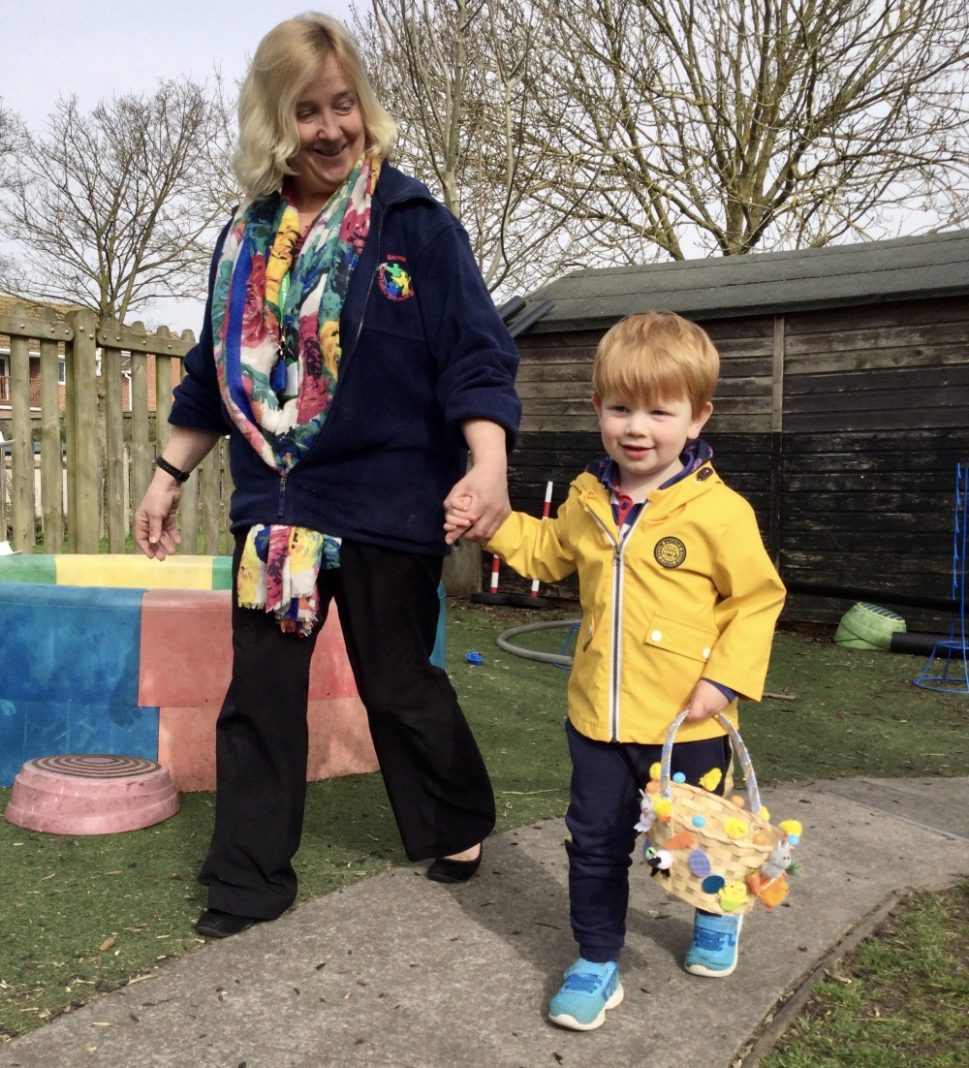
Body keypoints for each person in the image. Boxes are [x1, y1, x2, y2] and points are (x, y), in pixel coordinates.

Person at [133, 13, 520, 939]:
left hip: (388, 498)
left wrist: (489, 463)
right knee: (260, 697)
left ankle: (454, 819)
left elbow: (473, 353)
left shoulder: (413, 224)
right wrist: (165, 474)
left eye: (343, 104)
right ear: (276, 121)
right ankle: (247, 882)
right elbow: (208, 368)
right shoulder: (242, 238)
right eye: (307, 111)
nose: (332, 127)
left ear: (364, 107)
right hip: (277, 507)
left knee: (398, 682)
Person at [445, 311, 786, 1030]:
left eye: (659, 411)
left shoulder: (719, 512)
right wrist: (491, 521)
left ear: (696, 418)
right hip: (595, 722)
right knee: (594, 845)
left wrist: (722, 680)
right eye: (619, 407)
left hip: (686, 723)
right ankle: (598, 960)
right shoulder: (586, 499)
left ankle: (717, 917)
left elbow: (757, 600)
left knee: (697, 843)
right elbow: (545, 554)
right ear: (597, 409)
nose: (637, 427)